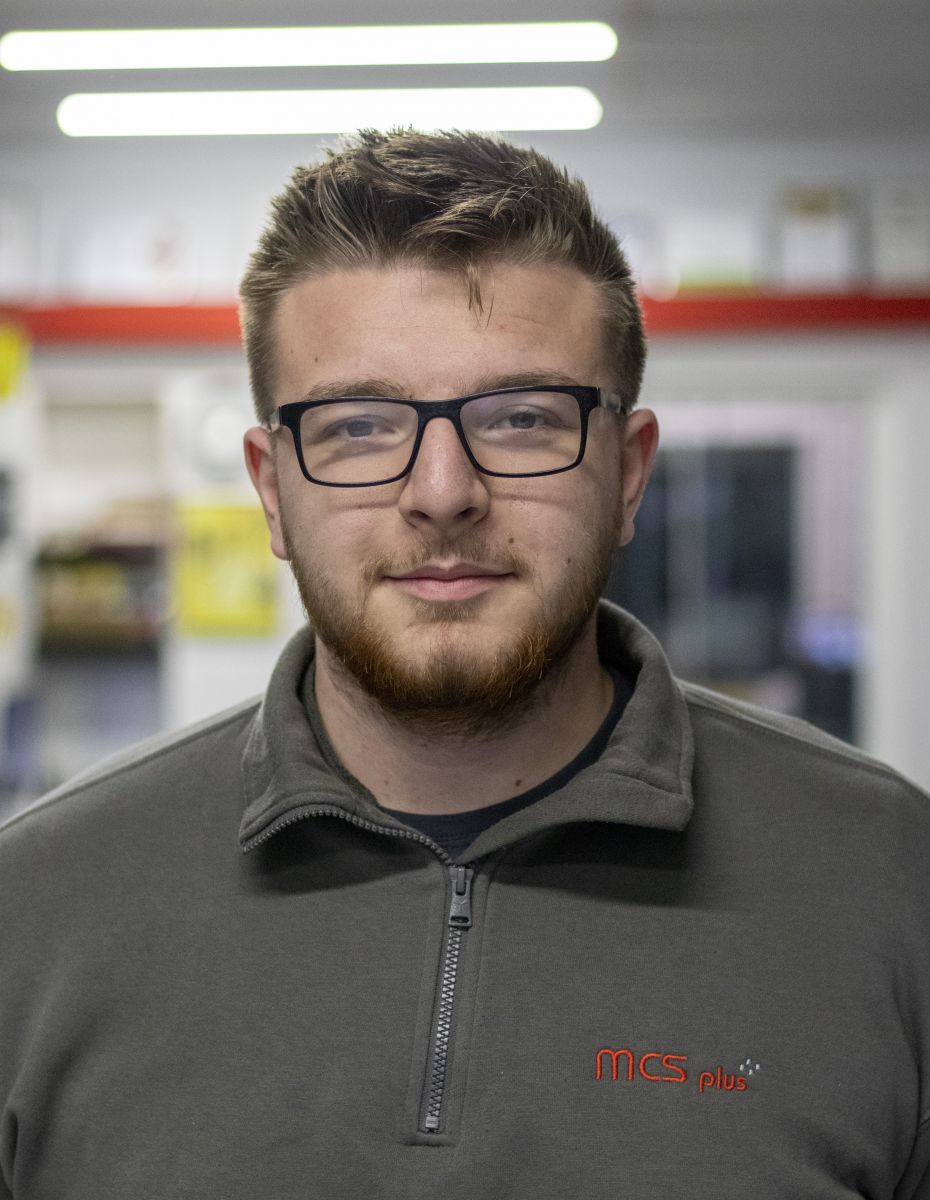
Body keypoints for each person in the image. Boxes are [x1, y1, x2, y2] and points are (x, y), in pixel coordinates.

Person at [1, 129, 929, 1200]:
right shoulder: (35, 908)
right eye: (357, 426)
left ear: (628, 475)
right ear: (271, 489)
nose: (442, 493)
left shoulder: (893, 887)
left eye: (522, 419)